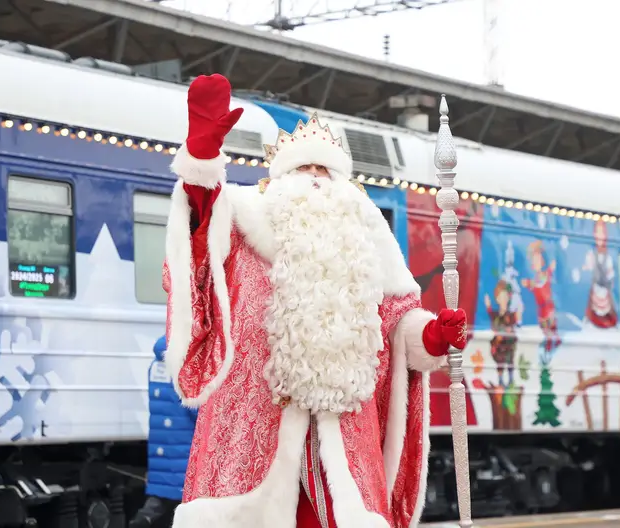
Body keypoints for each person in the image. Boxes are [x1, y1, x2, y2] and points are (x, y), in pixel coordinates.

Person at [162, 73, 468, 528]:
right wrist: (202, 162)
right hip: (252, 433)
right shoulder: (246, 219)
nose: (317, 180)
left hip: (343, 441)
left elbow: (396, 322)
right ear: (279, 182)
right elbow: (200, 243)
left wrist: (433, 335)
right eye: (304, 170)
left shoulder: (367, 237)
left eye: (325, 170)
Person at [130, 336, 198, 528]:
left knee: (161, 494)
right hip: (182, 444)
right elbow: (195, 409)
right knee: (186, 501)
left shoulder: (156, 365)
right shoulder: (183, 367)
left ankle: (143, 519)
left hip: (162, 443)